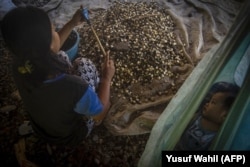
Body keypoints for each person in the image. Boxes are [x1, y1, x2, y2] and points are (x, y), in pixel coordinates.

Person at [0, 6, 115, 146]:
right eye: (53, 30)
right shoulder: (75, 87)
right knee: (84, 64)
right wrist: (106, 78)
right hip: (69, 135)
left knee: (60, 55)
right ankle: (89, 107)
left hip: (42, 128)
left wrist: (72, 23)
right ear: (46, 45)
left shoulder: (19, 66)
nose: (56, 31)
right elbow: (100, 114)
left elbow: (50, 49)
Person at [175, 82, 239, 150]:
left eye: (213, 102)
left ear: (224, 115)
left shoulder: (215, 140)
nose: (207, 103)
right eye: (210, 100)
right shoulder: (194, 118)